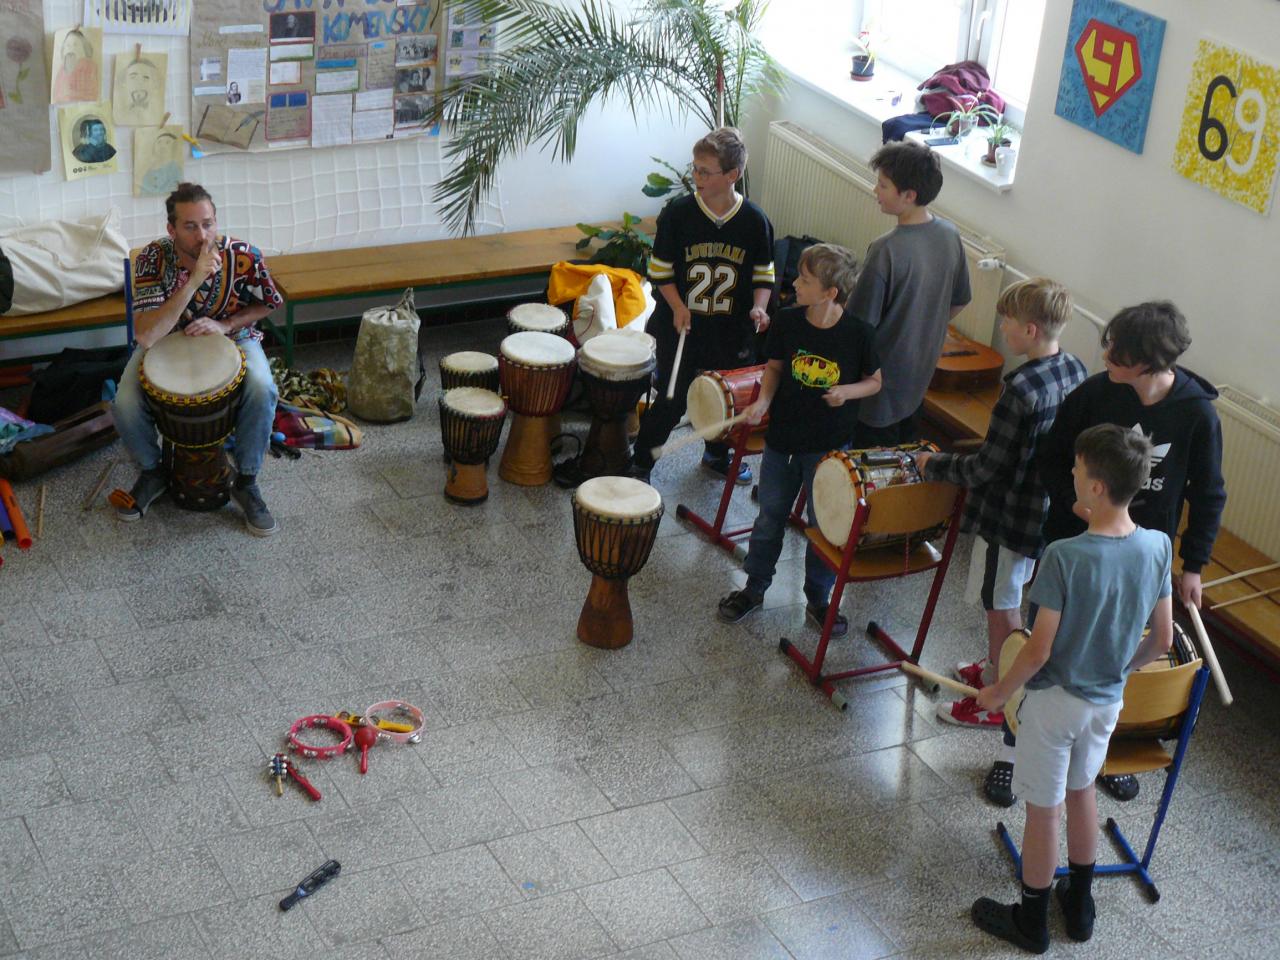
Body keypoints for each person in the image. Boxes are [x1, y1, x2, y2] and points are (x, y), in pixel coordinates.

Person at [1002, 299, 1225, 805]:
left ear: (1147, 361)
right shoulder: (1094, 394)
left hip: (1140, 561)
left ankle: (1095, 756)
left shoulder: (1196, 415)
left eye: (1117, 351)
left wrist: (1193, 566)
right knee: (1045, 654)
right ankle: (1016, 749)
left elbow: (1209, 493)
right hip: (1075, 546)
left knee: (1117, 659)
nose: (1105, 356)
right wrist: (1077, 508)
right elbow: (1051, 460)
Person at [970, 423, 1174, 954]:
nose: (1073, 476)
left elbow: (1038, 650)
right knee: (1082, 790)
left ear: (1097, 487)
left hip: (1055, 706)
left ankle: (1032, 922)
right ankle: (1080, 909)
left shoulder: (1064, 556)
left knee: (1044, 809)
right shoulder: (1158, 546)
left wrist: (999, 691)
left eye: (1078, 471)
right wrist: (1121, 669)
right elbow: (1163, 638)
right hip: (1107, 703)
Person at [914, 278, 1087, 728]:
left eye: (1008, 321)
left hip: (1008, 516)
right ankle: (995, 668)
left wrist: (934, 465)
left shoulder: (1020, 390)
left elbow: (986, 468)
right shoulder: (1074, 368)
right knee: (1009, 592)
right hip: (1045, 512)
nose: (1002, 327)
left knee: (1001, 605)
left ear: (1030, 330)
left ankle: (999, 697)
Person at [716, 243, 881, 634]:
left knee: (824, 527)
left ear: (830, 293)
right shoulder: (788, 320)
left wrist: (846, 392)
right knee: (769, 515)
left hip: (829, 449)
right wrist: (763, 402)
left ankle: (818, 598)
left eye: (805, 280)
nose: (795, 284)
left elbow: (874, 382)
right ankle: (754, 587)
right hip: (782, 441)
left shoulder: (858, 334)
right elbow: (774, 368)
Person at [113, 183, 284, 536]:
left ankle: (247, 480)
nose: (202, 235)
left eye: (208, 224)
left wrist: (226, 324)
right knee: (124, 401)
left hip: (233, 337)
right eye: (190, 226)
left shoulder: (243, 255)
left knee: (263, 387)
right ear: (171, 229)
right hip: (166, 340)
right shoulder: (152, 259)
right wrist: (193, 281)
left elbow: (269, 302)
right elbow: (145, 335)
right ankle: (152, 471)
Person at [630, 126, 776, 484]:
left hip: (730, 331)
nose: (696, 177)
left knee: (723, 399)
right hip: (680, 325)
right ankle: (642, 461)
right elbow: (660, 272)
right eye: (694, 168)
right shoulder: (678, 214)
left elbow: (763, 275)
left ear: (732, 175)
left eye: (705, 172)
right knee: (672, 399)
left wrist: (759, 307)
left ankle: (716, 454)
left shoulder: (754, 221)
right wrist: (678, 306)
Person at [845, 141, 971, 446]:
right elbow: (959, 300)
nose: (875, 190)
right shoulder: (950, 235)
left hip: (877, 388)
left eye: (883, 185)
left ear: (909, 195)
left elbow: (858, 326)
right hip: (918, 377)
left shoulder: (885, 250)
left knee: (866, 466)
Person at [52, 28, 97, 103]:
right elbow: (57, 94)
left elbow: (92, 93)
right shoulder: (62, 69)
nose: (71, 48)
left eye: (75, 45)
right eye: (68, 45)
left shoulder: (89, 67)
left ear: (84, 48)